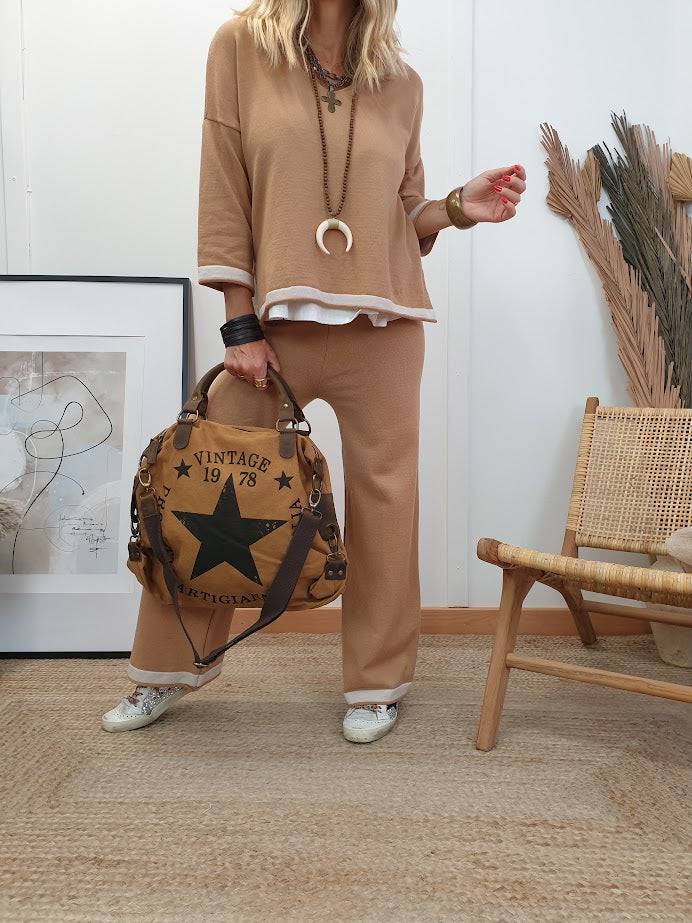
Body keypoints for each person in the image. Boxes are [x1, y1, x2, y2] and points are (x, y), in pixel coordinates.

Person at [101, 0, 526, 743]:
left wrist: (458, 208)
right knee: (209, 486)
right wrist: (239, 323)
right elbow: (224, 186)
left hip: (385, 329)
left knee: (386, 504)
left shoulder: (401, 81)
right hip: (274, 333)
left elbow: (402, 213)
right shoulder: (241, 47)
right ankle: (167, 669)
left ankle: (377, 681)